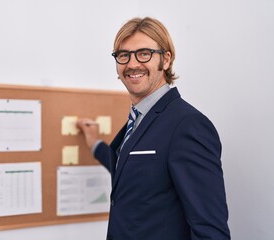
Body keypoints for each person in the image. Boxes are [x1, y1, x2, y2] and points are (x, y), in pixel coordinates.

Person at [76, 17, 230, 240]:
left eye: (144, 53)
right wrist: (95, 144)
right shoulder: (138, 119)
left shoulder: (188, 126)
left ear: (166, 60)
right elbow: (137, 172)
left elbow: (210, 230)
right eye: (123, 55)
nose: (132, 64)